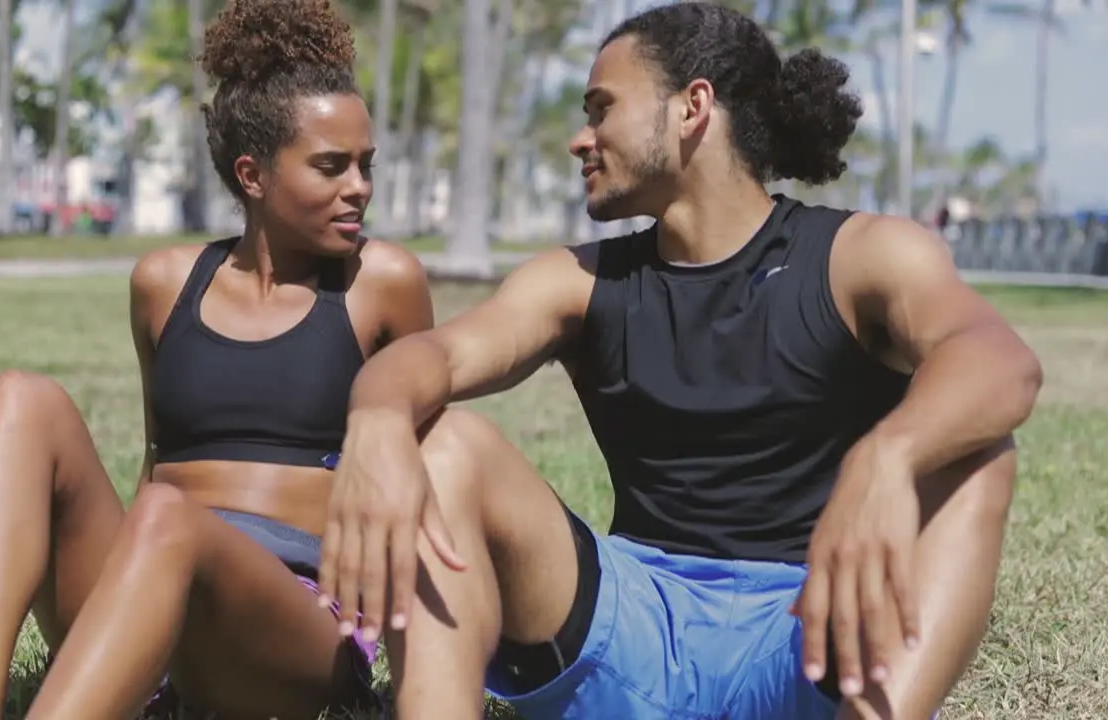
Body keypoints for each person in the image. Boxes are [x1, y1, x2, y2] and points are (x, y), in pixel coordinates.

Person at [320, 4, 1043, 720]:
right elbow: (434, 356)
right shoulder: (579, 281)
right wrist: (379, 418)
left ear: (693, 106)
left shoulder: (861, 256)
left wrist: (886, 458)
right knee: (441, 442)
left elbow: (998, 361)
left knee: (977, 457)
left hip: (809, 639)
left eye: (602, 109)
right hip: (627, 639)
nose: (581, 138)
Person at [0, 1, 433, 717]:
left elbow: (429, 473)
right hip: (146, 576)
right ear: (252, 175)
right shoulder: (164, 283)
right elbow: (157, 455)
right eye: (331, 167)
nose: (358, 186)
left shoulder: (382, 284)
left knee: (169, 517)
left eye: (365, 165)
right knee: (19, 399)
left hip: (290, 625)